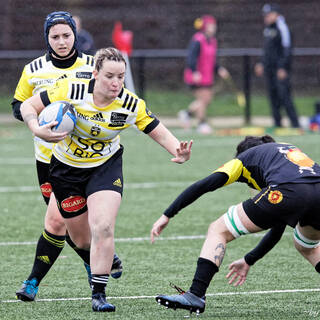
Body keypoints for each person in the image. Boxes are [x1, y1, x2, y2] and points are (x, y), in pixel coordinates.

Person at [20, 47, 193, 312]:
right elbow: (27, 105)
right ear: (95, 74)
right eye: (110, 76)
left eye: (121, 77)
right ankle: (103, 260)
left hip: (105, 168)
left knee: (103, 226)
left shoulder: (129, 103)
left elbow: (153, 127)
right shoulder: (71, 89)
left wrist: (177, 150)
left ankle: (99, 294)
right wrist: (36, 128)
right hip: (66, 170)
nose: (116, 83)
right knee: (80, 239)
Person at [12, 11, 122, 302]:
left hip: (90, 159)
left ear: (76, 35)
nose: (61, 41)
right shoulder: (33, 69)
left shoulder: (92, 66)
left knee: (60, 222)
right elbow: (18, 105)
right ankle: (97, 259)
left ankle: (34, 281)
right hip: (48, 160)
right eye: (54, 36)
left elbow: (115, 97)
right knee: (67, 222)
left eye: (66, 35)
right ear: (46, 38)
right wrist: (42, 120)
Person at [151, 135, 320, 315]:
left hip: (288, 190)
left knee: (218, 230)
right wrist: (249, 259)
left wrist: (168, 214)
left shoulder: (243, 160)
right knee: (308, 247)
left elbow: (204, 185)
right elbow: (277, 226)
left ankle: (196, 295)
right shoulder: (285, 150)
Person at [179, 15, 230, 135]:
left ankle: (186, 114)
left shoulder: (213, 41)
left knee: (206, 99)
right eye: (211, 25)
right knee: (203, 99)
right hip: (197, 76)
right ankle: (201, 123)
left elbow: (212, 60)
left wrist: (219, 69)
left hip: (207, 76)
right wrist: (194, 71)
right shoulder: (198, 39)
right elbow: (191, 57)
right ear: (205, 27)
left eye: (214, 25)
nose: (213, 28)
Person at [255, 3, 300, 128]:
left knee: (284, 96)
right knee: (273, 97)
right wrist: (262, 63)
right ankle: (277, 124)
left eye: (269, 15)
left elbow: (287, 49)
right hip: (270, 69)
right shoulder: (268, 29)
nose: (266, 18)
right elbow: (267, 50)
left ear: (276, 15)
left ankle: (295, 124)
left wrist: (282, 67)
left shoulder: (282, 27)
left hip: (279, 70)